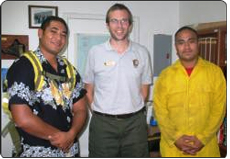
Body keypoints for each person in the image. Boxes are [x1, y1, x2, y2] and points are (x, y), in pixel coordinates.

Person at [6, 16, 87, 157]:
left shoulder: (69, 69)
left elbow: (81, 109)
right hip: (36, 151)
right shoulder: (24, 65)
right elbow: (22, 118)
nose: (59, 38)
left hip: (69, 150)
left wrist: (71, 134)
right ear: (40, 33)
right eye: (53, 31)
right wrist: (60, 137)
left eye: (63, 34)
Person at [83, 3, 152, 157]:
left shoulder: (142, 52)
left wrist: (132, 108)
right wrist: (97, 111)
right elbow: (88, 88)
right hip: (103, 124)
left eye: (124, 20)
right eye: (114, 21)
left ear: (130, 25)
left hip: (135, 124)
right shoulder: (95, 52)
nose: (119, 25)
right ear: (107, 25)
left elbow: (145, 88)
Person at [153, 26, 226, 157]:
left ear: (198, 44)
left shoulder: (215, 73)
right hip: (173, 150)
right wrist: (176, 138)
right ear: (176, 47)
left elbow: (219, 109)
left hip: (206, 149)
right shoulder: (165, 76)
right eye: (181, 42)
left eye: (191, 41)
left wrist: (202, 139)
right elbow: (160, 111)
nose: (186, 47)